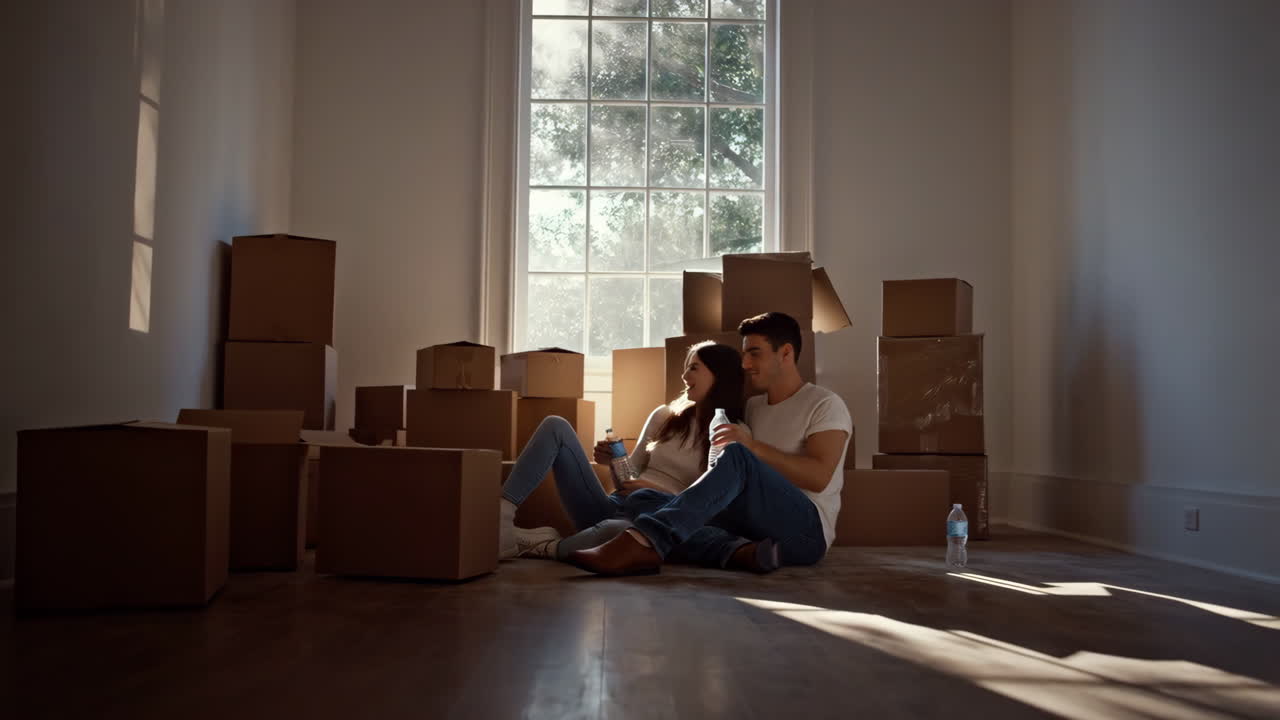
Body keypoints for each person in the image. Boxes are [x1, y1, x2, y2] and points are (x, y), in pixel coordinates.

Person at [567, 312, 852, 576]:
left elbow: (819, 477)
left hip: (804, 532)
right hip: (751, 529)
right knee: (645, 499)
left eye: (755, 353)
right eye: (744, 354)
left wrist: (752, 448)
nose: (745, 364)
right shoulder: (753, 408)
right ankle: (734, 551)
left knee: (738, 455)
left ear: (786, 353)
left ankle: (643, 541)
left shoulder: (824, 404)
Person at [498, 341, 748, 564]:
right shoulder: (665, 415)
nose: (684, 375)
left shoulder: (736, 433)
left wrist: (655, 492)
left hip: (654, 522)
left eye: (694, 368)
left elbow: (713, 503)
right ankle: (501, 518)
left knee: (618, 531)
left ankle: (544, 547)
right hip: (616, 505)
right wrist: (613, 463)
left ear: (719, 375)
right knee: (556, 425)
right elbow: (630, 475)